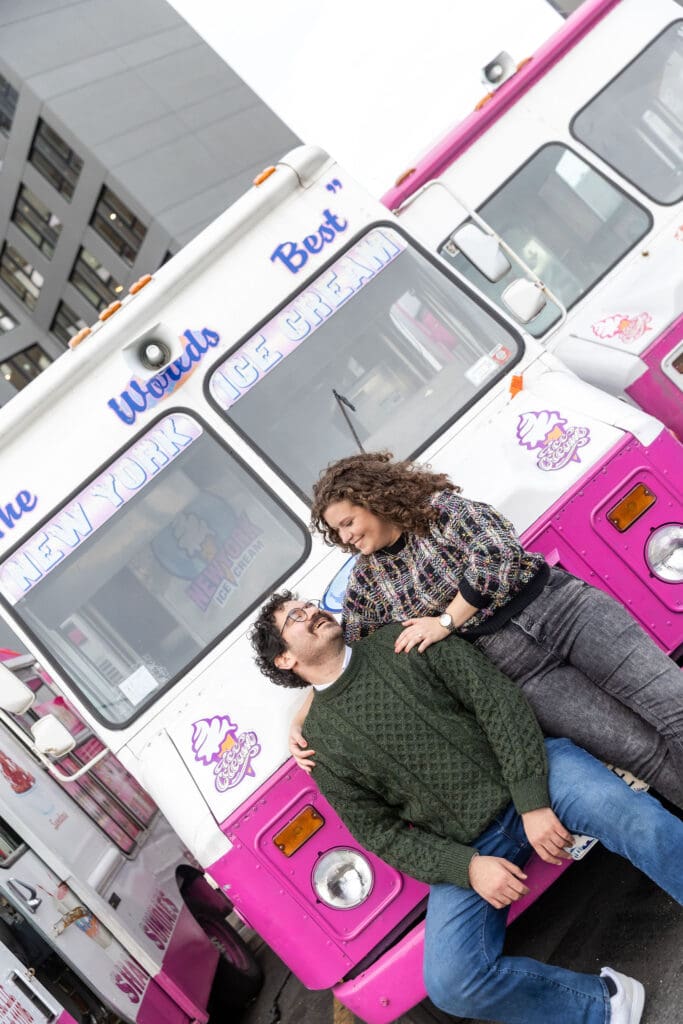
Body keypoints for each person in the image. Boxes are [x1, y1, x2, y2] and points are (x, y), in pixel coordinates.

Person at [251, 593, 683, 1024]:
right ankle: (602, 1004)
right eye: (295, 618)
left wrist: (531, 802)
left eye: (308, 606)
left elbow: (498, 703)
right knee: (452, 983)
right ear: (285, 660)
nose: (311, 613)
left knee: (637, 821)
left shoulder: (404, 640)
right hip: (472, 845)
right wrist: (468, 867)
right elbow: (380, 833)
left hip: (537, 776)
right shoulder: (319, 746)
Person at [287, 451, 683, 808]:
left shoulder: (437, 510)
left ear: (373, 501)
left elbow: (498, 554)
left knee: (675, 706)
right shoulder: (366, 585)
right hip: (521, 674)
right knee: (639, 751)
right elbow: (353, 657)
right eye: (336, 532)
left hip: (566, 611)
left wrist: (445, 621)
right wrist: (301, 718)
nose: (345, 537)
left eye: (348, 522)